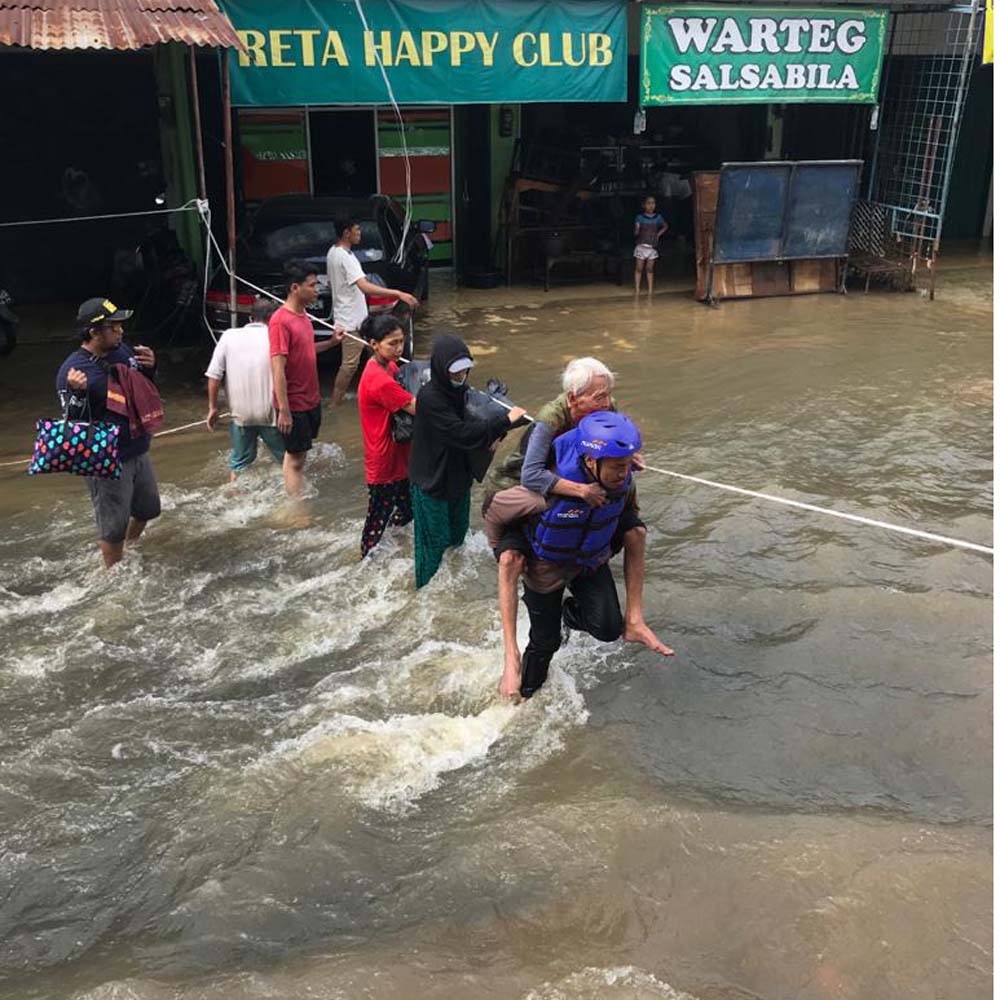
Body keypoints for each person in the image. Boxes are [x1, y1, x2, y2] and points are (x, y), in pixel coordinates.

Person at [485, 411, 673, 700]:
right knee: (546, 643)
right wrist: (502, 550)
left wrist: (631, 533)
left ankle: (568, 615)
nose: (624, 473)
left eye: (626, 465)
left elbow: (629, 517)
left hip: (587, 561)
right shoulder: (544, 494)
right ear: (590, 461)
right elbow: (493, 509)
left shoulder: (623, 485)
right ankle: (525, 695)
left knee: (610, 628)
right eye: (616, 466)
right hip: (544, 567)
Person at [409, 333, 526, 589]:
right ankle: (426, 592)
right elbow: (460, 433)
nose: (460, 378)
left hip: (458, 476)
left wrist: (497, 425)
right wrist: (505, 421)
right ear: (440, 369)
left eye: (464, 372)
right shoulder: (430, 399)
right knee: (433, 545)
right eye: (454, 373)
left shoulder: (462, 392)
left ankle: (453, 590)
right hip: (433, 481)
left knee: (457, 539)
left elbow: (476, 423)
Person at [55, 298, 160, 568]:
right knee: (112, 527)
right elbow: (73, 426)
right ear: (94, 332)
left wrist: (150, 367)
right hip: (106, 459)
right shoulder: (74, 371)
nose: (121, 332)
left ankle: (129, 546)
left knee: (149, 509)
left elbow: (139, 388)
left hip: (137, 447)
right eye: (114, 327)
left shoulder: (121, 351)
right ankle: (111, 572)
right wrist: (78, 395)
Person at [269, 261, 343, 499]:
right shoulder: (280, 321)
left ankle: (296, 488)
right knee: (294, 459)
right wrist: (284, 410)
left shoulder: (303, 316)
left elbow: (306, 350)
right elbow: (277, 368)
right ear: (294, 288)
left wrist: (331, 343)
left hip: (310, 397)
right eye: (312, 285)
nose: (317, 290)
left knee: (300, 454)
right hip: (294, 402)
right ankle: (296, 507)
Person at [326, 218, 419, 406]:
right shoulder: (344, 257)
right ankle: (335, 405)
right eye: (357, 230)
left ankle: (386, 393)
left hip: (356, 317)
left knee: (378, 356)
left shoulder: (333, 252)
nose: (360, 234)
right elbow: (365, 287)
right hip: (351, 321)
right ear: (346, 233)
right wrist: (398, 293)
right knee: (350, 365)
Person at [205, 297, 285, 482]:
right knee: (288, 460)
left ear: (250, 318)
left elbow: (214, 375)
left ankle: (233, 494)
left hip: (240, 414)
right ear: (272, 319)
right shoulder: (276, 337)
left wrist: (213, 408)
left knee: (239, 464)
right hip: (271, 412)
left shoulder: (228, 335)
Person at [357, 313, 415, 558]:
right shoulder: (379, 379)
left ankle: (398, 550)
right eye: (392, 343)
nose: (399, 348)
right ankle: (365, 561)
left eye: (401, 341)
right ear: (373, 344)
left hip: (397, 455)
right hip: (384, 460)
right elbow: (417, 407)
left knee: (407, 510)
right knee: (376, 522)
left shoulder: (387, 365)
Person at [634, 195, 668, 296]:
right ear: (643, 205)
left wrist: (658, 235)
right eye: (648, 203)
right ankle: (637, 289)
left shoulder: (658, 217)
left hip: (652, 247)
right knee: (639, 268)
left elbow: (665, 226)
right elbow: (636, 233)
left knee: (649, 269)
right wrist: (637, 229)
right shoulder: (639, 217)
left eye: (653, 203)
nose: (651, 205)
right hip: (641, 246)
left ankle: (650, 289)